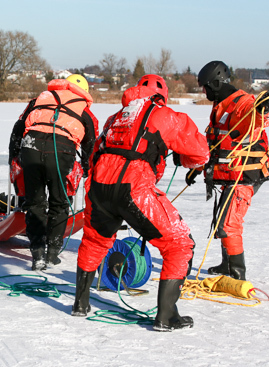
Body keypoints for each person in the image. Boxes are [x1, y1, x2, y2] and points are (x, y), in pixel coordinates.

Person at [72, 75, 210, 332]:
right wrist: (184, 159)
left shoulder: (116, 118)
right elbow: (201, 152)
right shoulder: (165, 115)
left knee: (94, 241)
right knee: (179, 243)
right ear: (161, 96)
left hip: (98, 188)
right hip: (134, 189)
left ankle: (80, 303)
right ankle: (166, 317)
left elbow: (95, 154)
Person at [190, 61, 269, 280]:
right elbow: (215, 144)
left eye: (205, 86)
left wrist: (262, 108)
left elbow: (256, 116)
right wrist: (198, 168)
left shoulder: (242, 103)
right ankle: (227, 265)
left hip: (247, 173)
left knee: (229, 222)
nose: (203, 91)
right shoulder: (221, 105)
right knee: (222, 219)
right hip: (231, 172)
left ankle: (237, 275)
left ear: (216, 83)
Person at [8, 74, 99, 270]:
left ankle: (38, 253)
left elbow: (18, 128)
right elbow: (91, 142)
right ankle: (52, 253)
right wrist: (86, 166)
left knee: (35, 203)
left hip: (30, 149)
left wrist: (13, 157)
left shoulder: (39, 100)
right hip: (60, 152)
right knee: (59, 202)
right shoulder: (83, 109)